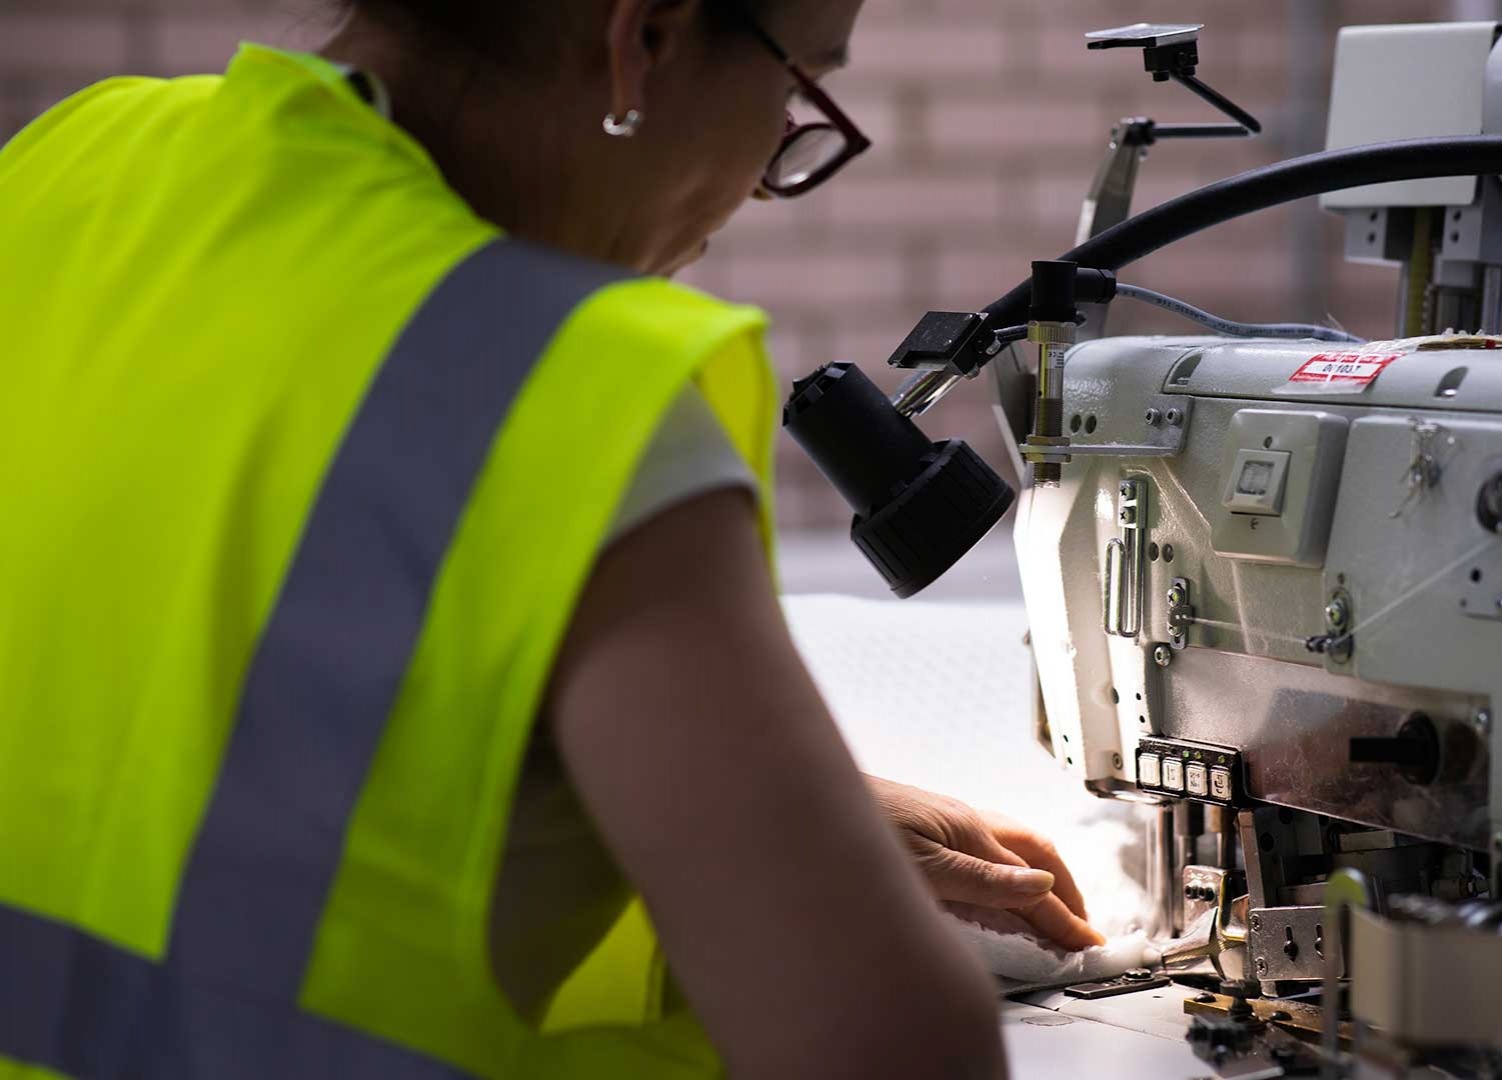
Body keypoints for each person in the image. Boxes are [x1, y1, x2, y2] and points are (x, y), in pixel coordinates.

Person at [0, 0, 1101, 1077]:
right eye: (798, 89)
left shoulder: (74, 166)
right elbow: (898, 1051)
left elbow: (180, 690)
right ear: (644, 40)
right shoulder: (572, 379)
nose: (767, 178)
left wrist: (730, 818)